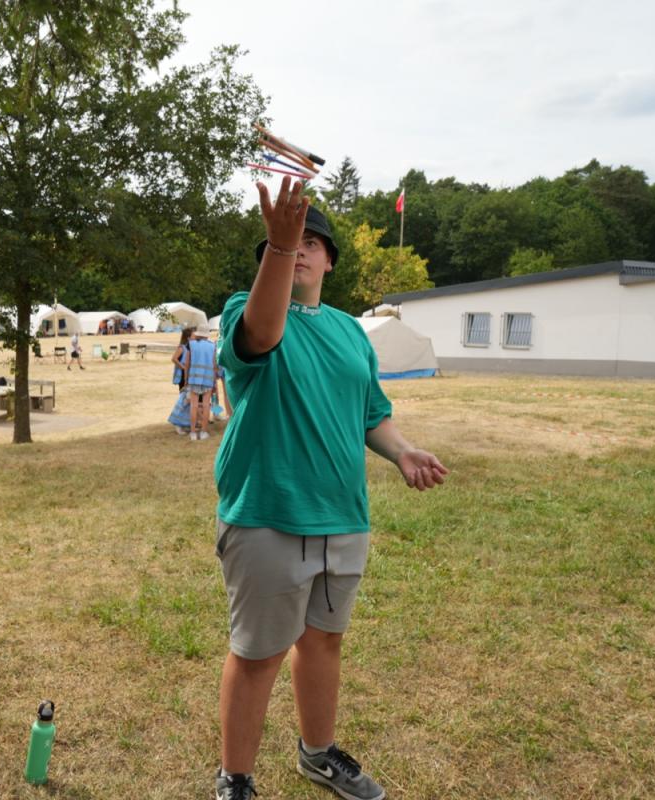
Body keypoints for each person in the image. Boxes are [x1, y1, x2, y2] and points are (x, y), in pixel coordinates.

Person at [211, 178, 449, 800]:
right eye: (287, 244)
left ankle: (317, 757)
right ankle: (236, 778)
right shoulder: (244, 311)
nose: (299, 251)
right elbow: (262, 336)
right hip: (268, 515)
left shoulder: (350, 333)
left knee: (322, 643)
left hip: (343, 518)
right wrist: (280, 245)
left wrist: (402, 451)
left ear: (330, 261)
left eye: (310, 243)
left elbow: (370, 413)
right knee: (258, 654)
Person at [184, 328, 217, 441]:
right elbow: (214, 365)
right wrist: (214, 382)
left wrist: (186, 380)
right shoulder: (212, 346)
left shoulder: (191, 345)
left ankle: (193, 433)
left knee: (194, 406)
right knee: (206, 406)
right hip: (208, 379)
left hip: (194, 379)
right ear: (207, 335)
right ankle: (203, 432)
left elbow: (187, 364)